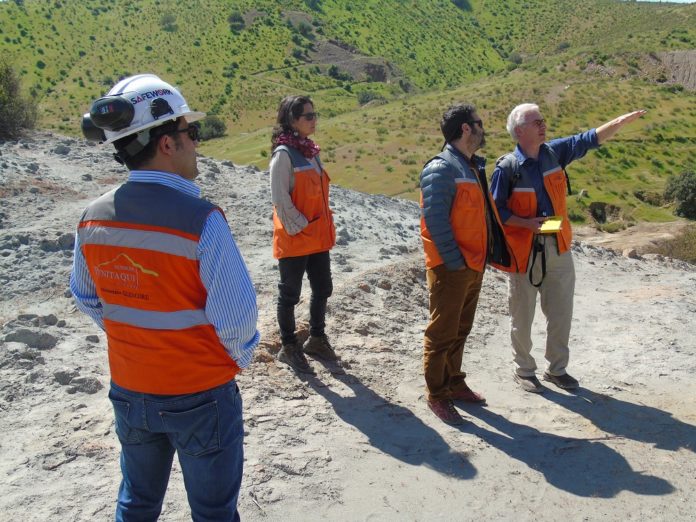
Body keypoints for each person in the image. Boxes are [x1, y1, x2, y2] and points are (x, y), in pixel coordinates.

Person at [71, 74, 259, 521]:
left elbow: (86, 296)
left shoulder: (92, 217)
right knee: (213, 511)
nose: (198, 142)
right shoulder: (202, 219)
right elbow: (237, 320)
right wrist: (235, 360)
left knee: (137, 501)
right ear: (167, 144)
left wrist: (135, 338)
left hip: (131, 389)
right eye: (191, 133)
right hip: (201, 392)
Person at [490, 103, 646, 393]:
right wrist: (526, 224)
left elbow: (588, 139)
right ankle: (524, 370)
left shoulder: (554, 153)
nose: (543, 125)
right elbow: (496, 212)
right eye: (537, 121)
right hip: (523, 252)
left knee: (561, 311)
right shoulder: (507, 169)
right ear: (520, 131)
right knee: (522, 314)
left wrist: (620, 121)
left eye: (543, 120)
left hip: (557, 246)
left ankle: (557, 370)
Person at [419, 104, 515, 425]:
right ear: (465, 129)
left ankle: (454, 382)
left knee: (461, 329)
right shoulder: (441, 169)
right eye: (478, 123)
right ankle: (437, 394)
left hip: (472, 264)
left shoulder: (469, 166)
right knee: (442, 331)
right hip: (452, 267)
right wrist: (456, 262)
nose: (482, 128)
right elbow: (435, 222)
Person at [270, 95, 337, 374]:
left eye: (314, 114)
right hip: (297, 237)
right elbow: (279, 197)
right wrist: (300, 226)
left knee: (323, 288)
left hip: (317, 236)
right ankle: (289, 346)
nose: (313, 120)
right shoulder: (283, 154)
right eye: (307, 116)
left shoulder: (310, 150)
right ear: (292, 120)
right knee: (290, 294)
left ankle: (317, 339)